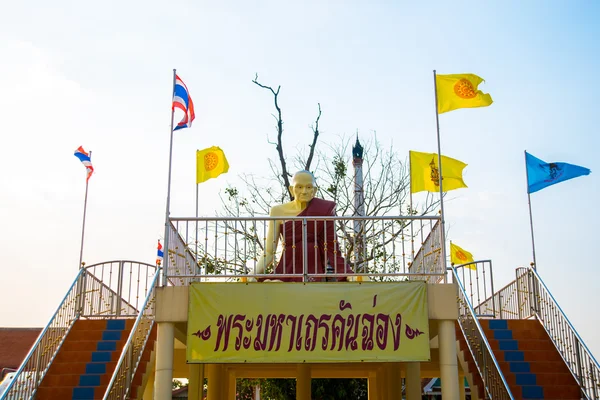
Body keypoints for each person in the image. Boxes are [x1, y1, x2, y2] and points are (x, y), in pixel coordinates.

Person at [254, 170, 355, 282]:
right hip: (288, 266)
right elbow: (269, 251)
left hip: (313, 266)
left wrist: (348, 273)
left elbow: (332, 248)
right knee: (274, 284)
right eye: (299, 187)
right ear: (291, 190)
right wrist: (253, 274)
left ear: (315, 190)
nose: (304, 191)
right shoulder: (277, 211)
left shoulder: (324, 209)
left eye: (308, 187)